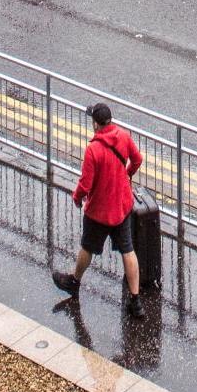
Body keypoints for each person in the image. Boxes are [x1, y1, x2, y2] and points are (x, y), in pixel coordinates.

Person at [53, 103, 144, 318]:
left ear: (95, 124)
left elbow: (86, 184)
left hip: (99, 211)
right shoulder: (123, 135)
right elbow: (137, 159)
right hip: (122, 206)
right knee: (128, 250)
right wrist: (127, 174)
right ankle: (136, 301)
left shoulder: (93, 150)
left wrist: (77, 198)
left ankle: (74, 282)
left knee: (87, 247)